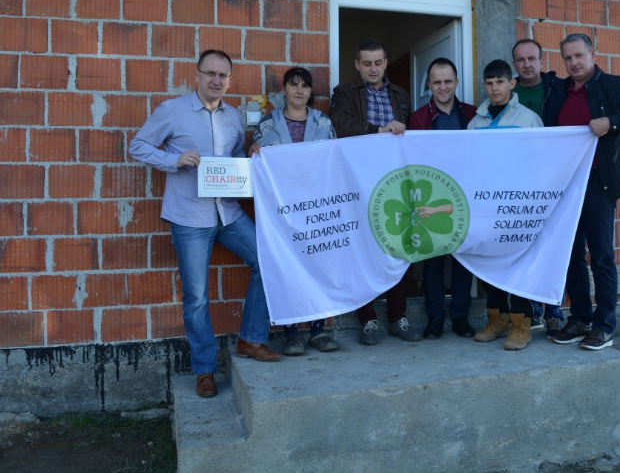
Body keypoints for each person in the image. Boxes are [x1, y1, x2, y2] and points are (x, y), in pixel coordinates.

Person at [129, 49, 280, 399]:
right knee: (196, 297)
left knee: (268, 262)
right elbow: (138, 146)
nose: (216, 80)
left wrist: (250, 158)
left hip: (227, 212)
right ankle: (205, 369)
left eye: (222, 75)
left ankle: (251, 340)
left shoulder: (232, 117)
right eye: (209, 73)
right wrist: (173, 159)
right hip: (190, 217)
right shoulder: (172, 110)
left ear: (229, 80)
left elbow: (232, 162)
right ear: (196, 75)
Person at [545, 33, 620, 350]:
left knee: (601, 256)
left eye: (579, 55)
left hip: (599, 182)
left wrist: (610, 122)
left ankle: (605, 325)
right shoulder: (560, 91)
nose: (574, 63)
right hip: (567, 184)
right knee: (570, 255)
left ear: (593, 53)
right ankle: (580, 319)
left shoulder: (614, 86)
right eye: (567, 58)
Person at [329, 38, 421, 345]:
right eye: (366, 63)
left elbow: (410, 134)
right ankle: (367, 320)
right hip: (358, 180)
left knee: (397, 246)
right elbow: (340, 124)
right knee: (362, 248)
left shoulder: (401, 95)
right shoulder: (344, 92)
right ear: (357, 65)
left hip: (395, 181)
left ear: (385, 63)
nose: (373, 68)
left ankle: (398, 317)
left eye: (378, 62)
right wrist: (377, 130)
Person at [249, 67, 340, 356]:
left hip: (317, 207)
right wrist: (252, 152)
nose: (299, 91)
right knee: (287, 267)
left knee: (319, 265)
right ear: (284, 90)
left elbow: (336, 161)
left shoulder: (324, 124)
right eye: (294, 85)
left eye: (305, 86)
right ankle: (291, 333)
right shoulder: (267, 125)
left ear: (311, 92)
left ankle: (318, 330)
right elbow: (255, 165)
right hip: (283, 211)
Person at [468, 59, 542, 350]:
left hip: (519, 207)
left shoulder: (528, 119)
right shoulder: (475, 123)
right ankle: (496, 319)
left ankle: (521, 324)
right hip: (487, 205)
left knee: (519, 264)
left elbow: (540, 162)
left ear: (512, 83)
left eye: (500, 82)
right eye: (489, 83)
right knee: (490, 263)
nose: (494, 88)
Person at [408, 57, 477, 340]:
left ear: (457, 82)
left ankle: (461, 315)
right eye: (437, 82)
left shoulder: (473, 114)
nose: (443, 87)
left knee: (463, 257)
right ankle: (435, 317)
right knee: (433, 259)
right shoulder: (418, 118)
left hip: (466, 195)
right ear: (428, 85)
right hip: (433, 194)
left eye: (448, 81)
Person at [511, 38, 568, 337]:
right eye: (520, 60)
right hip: (520, 184)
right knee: (523, 245)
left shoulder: (559, 89)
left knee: (551, 245)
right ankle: (531, 311)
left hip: (553, 180)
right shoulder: (508, 94)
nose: (527, 65)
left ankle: (553, 311)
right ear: (514, 65)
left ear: (542, 61)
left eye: (532, 58)